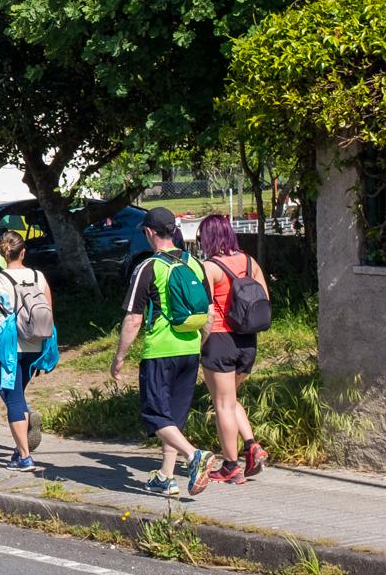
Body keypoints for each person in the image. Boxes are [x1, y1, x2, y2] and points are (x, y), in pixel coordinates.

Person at [111, 207, 214, 496]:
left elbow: (133, 319)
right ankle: (166, 477)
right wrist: (200, 345)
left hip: (160, 351)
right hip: (190, 347)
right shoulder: (195, 263)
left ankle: (195, 456)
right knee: (173, 418)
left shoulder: (148, 267)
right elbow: (209, 313)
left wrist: (119, 358)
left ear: (148, 233)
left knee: (155, 415)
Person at [0, 230, 56, 470]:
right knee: (18, 394)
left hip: (8, 347)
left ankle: (24, 456)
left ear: (3, 254)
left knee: (14, 398)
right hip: (36, 344)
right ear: (23, 252)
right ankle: (19, 447)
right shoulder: (39, 276)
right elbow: (48, 311)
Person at [198, 213, 270, 484]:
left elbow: (204, 311)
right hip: (248, 341)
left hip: (219, 341)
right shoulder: (251, 262)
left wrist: (199, 343)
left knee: (222, 404)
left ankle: (230, 466)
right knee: (231, 399)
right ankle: (251, 446)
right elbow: (263, 299)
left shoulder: (209, 267)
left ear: (208, 238)